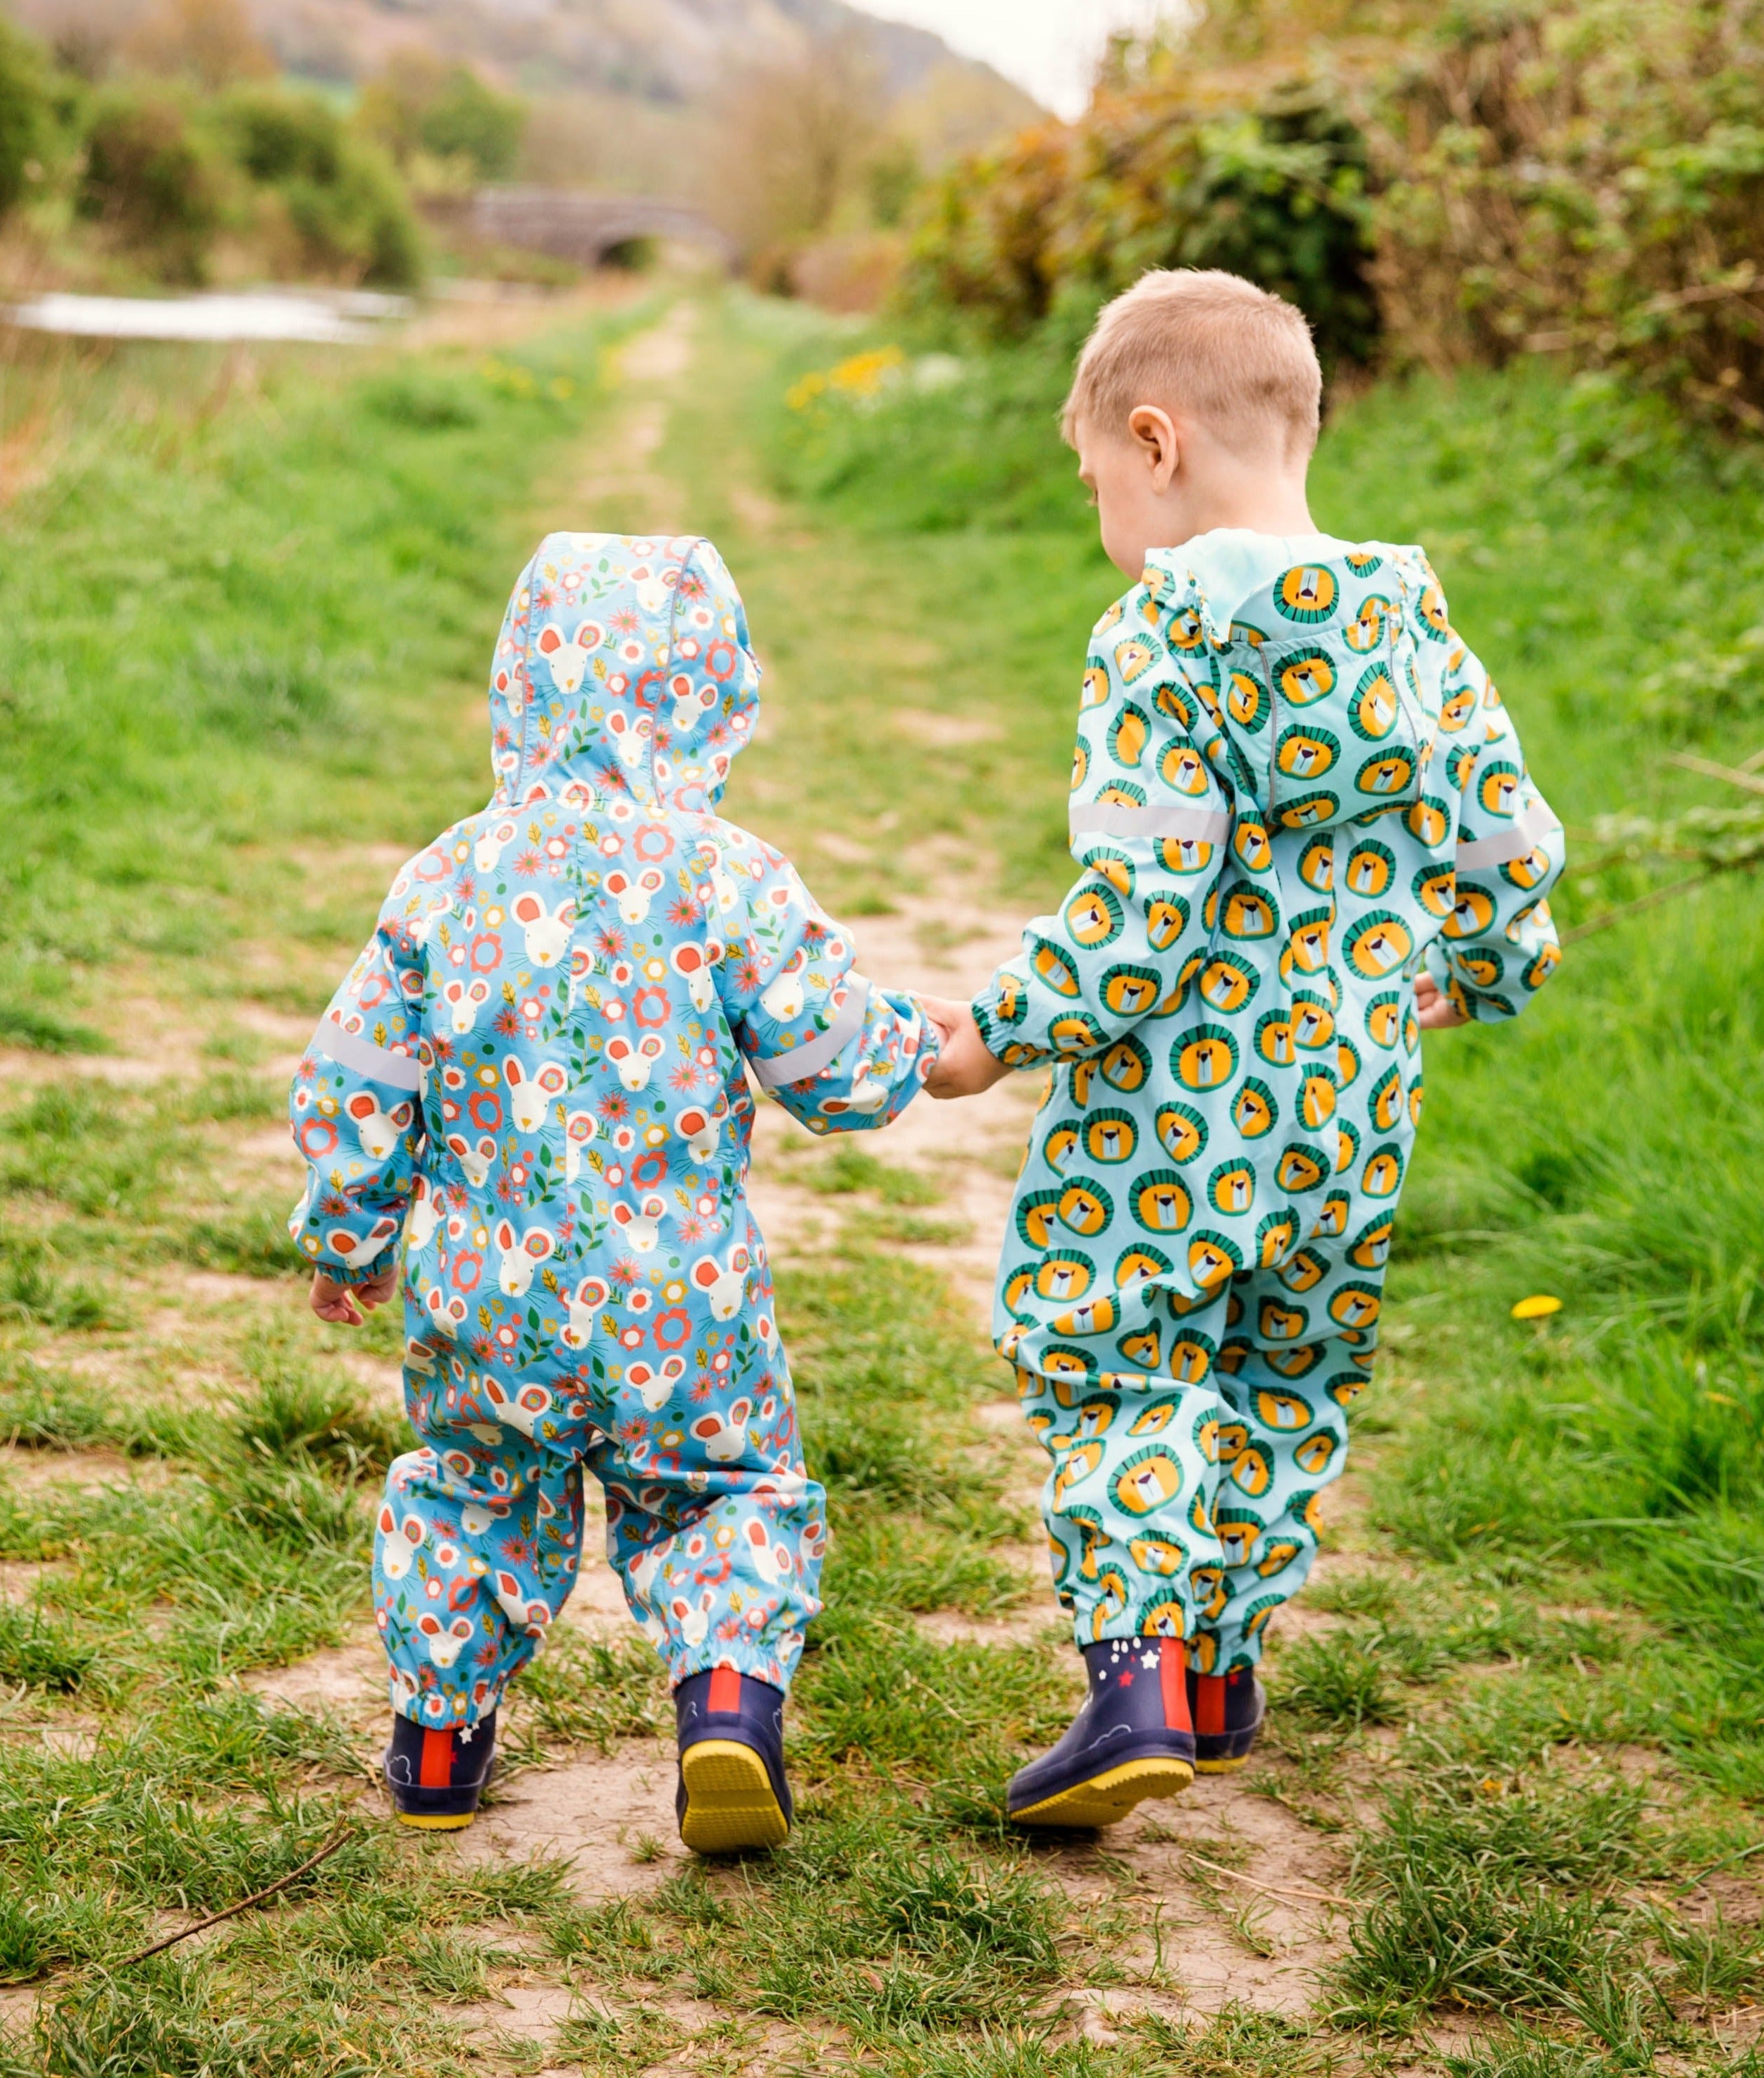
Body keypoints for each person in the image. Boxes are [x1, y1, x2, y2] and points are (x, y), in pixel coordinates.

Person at [924, 269, 1564, 1829]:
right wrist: (1476, 974)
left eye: (1092, 482)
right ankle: (1219, 1672)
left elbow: (1140, 904)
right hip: (1351, 1099)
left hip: (1174, 1107)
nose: (1100, 516)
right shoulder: (1413, 622)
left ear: (1153, 443)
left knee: (1117, 1352)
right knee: (1282, 1368)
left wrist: (992, 1036)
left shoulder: (1164, 632)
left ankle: (1131, 1676)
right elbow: (1508, 841)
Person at [288, 531, 939, 1850]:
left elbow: (359, 1073)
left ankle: (432, 1750)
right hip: (683, 1297)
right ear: (714, 695)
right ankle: (727, 1716)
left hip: (487, 1300)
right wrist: (918, 1047)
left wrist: (351, 1238)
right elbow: (843, 1065)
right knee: (723, 1491)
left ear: (519, 688)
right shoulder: (728, 876)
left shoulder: (447, 875)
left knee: (471, 1492)